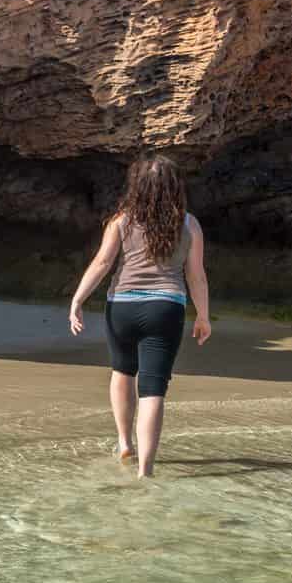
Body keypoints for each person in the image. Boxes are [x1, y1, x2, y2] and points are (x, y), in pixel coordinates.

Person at [67, 155, 211, 478]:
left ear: (138, 186)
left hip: (122, 307)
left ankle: (123, 442)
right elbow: (196, 275)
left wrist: (77, 299)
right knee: (153, 389)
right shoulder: (189, 224)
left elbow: (102, 264)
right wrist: (203, 315)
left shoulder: (122, 220)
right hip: (166, 308)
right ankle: (145, 471)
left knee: (121, 372)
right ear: (175, 187)